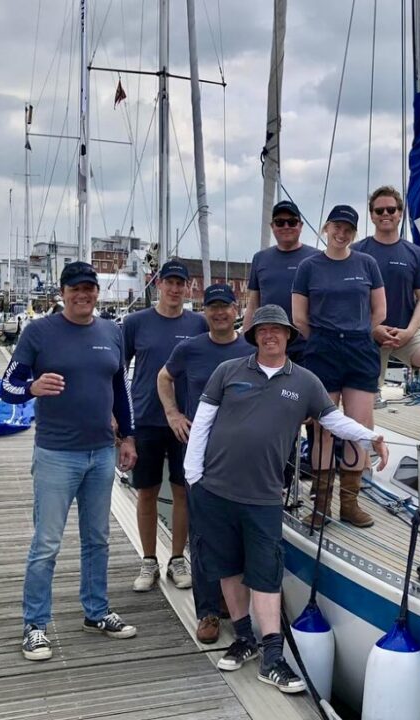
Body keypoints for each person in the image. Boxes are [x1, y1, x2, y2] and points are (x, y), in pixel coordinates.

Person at [184, 304, 388, 692]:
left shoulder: (306, 382)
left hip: (263, 496)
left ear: (288, 336)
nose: (270, 336)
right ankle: (244, 638)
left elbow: (332, 420)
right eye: (263, 331)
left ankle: (273, 657)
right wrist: (193, 476)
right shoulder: (227, 371)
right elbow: (204, 421)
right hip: (215, 489)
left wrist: (368, 436)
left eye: (277, 330)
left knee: (265, 574)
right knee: (228, 569)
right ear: (254, 336)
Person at [1, 261, 138, 661]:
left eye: (89, 288)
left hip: (101, 453)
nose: (83, 295)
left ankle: (95, 613)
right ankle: (35, 624)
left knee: (97, 539)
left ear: (97, 292)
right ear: (62, 293)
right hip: (56, 454)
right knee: (46, 543)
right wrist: (31, 387)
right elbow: (8, 386)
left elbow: (120, 389)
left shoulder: (112, 332)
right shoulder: (39, 332)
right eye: (75, 289)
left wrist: (127, 437)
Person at [157, 283, 252, 644]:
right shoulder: (190, 349)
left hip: (242, 458)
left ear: (236, 308)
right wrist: (172, 413)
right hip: (200, 455)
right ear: (204, 311)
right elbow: (164, 378)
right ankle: (208, 610)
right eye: (212, 308)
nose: (219, 313)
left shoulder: (251, 350)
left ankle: (233, 603)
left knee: (238, 531)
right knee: (204, 535)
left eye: (225, 307)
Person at [292, 205, 386, 528]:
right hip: (322, 347)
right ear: (326, 227)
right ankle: (321, 506)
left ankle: (350, 504)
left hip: (360, 349)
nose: (341, 234)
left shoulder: (367, 264)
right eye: (336, 227)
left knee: (358, 430)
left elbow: (380, 311)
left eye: (348, 229)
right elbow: (299, 318)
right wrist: (325, 336)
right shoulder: (308, 267)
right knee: (324, 431)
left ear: (354, 233)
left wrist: (357, 332)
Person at [123, 260, 208, 593]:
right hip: (145, 419)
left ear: (187, 288)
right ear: (157, 284)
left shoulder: (198, 324)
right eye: (169, 282)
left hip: (186, 421)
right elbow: (118, 369)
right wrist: (119, 418)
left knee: (182, 491)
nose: (175, 289)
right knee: (145, 492)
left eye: (180, 283)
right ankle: (148, 560)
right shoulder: (134, 323)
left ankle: (176, 559)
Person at [354, 186, 420, 447]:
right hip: (369, 334)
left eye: (391, 209)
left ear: (400, 213)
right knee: (366, 391)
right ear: (371, 215)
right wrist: (372, 329)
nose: (385, 214)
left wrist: (410, 332)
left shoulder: (414, 253)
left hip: (405, 331)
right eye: (379, 210)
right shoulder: (358, 251)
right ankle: (363, 447)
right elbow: (350, 297)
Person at [244, 200, 319, 363]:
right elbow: (253, 305)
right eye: (280, 222)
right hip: (269, 346)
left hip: (307, 346)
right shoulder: (260, 258)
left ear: (301, 226)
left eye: (292, 222)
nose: (286, 226)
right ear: (272, 227)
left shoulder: (317, 258)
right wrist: (246, 341)